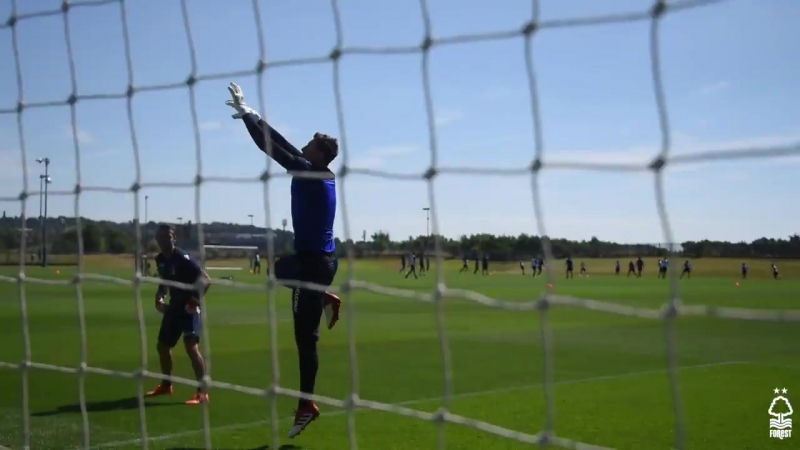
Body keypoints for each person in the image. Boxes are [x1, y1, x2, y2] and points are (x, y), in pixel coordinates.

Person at [226, 82, 342, 438]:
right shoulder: (318, 170)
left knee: (304, 339)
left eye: (310, 143)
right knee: (279, 269)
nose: (304, 145)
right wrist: (253, 113)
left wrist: (247, 118)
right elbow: (283, 144)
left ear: (320, 154)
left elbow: (271, 148)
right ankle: (324, 296)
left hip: (312, 265)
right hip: (318, 262)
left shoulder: (311, 172)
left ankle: (307, 404)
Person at [145, 224, 210, 405]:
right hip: (174, 308)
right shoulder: (160, 259)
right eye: (162, 237)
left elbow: (206, 279)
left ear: (174, 238)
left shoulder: (183, 258)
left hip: (189, 308)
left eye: (169, 236)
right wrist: (159, 296)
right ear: (157, 239)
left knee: (191, 347)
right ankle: (166, 385)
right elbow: (164, 281)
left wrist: (194, 301)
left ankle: (202, 393)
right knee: (163, 346)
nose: (166, 240)